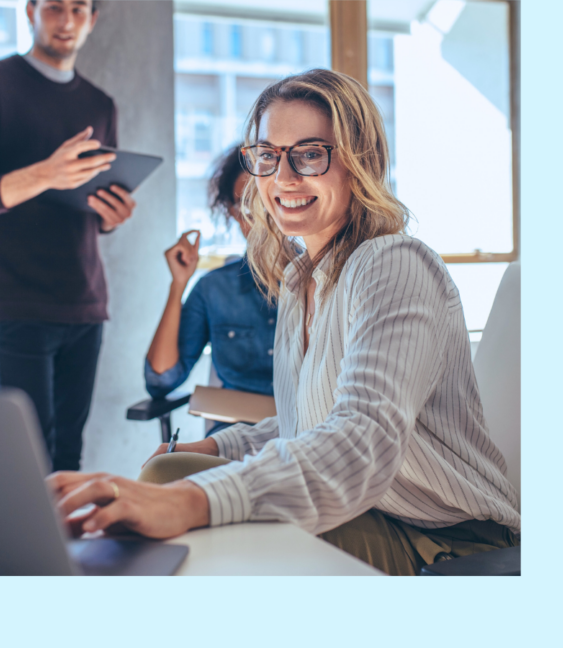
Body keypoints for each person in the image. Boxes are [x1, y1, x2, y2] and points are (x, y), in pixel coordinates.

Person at [47, 69, 521, 575]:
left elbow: (359, 438)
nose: (283, 178)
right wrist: (215, 445)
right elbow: (305, 424)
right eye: (269, 156)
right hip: (371, 512)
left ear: (361, 162)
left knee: (188, 508)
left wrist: (189, 501)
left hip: (440, 537)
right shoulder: (300, 280)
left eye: (311, 153)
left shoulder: (394, 263)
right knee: (169, 467)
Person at [0, 0, 137, 471]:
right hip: (19, 303)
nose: (66, 21)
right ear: (30, 10)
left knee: (69, 456)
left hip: (86, 302)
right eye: (54, 7)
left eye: (78, 10)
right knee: (27, 460)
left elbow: (89, 209)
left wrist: (112, 214)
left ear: (93, 19)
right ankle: (30, 549)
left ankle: (67, 549)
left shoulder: (100, 103)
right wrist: (47, 173)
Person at [145, 145, 277, 436]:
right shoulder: (214, 289)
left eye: (263, 201)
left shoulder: (324, 281)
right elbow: (161, 379)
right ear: (231, 212)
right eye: (244, 205)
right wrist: (178, 284)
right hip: (231, 438)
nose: (256, 216)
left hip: (305, 438)